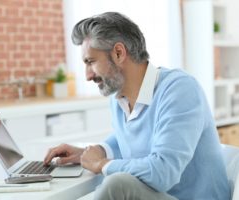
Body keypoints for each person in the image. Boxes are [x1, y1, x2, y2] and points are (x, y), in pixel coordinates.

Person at [44, 12, 231, 200]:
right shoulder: (119, 97)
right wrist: (93, 153)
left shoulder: (179, 89)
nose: (87, 75)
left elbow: (163, 172)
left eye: (91, 62)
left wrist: (102, 164)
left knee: (117, 184)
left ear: (118, 53)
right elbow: (127, 139)